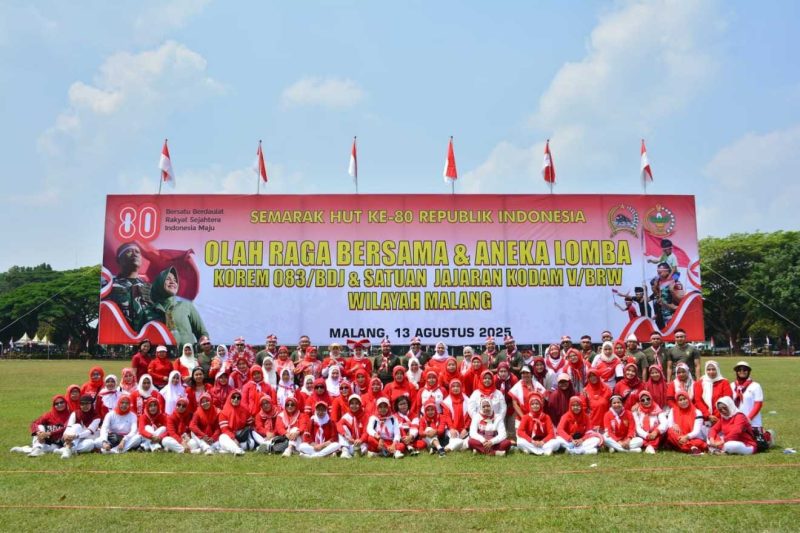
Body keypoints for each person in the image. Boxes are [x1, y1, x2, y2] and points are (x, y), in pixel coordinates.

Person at [147, 266, 209, 348]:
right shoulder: (149, 312)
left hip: (186, 358)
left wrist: (203, 343)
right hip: (161, 358)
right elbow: (142, 338)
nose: (173, 282)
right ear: (159, 283)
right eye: (168, 279)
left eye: (175, 280)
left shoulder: (186, 306)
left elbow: (202, 333)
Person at [104, 242, 152, 331]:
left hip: (144, 339)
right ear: (119, 260)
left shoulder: (151, 289)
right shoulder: (107, 286)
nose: (135, 254)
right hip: (117, 337)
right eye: (129, 251)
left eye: (137, 252)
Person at [694, 360, 733, 427]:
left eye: (713, 369)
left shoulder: (724, 382)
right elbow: (698, 401)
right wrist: (708, 415)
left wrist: (717, 416)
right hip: (704, 417)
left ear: (717, 370)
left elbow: (727, 400)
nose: (711, 372)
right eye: (708, 369)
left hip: (721, 416)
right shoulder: (699, 383)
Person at [730, 361, 764, 430]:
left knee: (755, 441)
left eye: (745, 369)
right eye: (739, 369)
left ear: (749, 371)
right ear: (736, 372)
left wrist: (748, 419)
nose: (742, 371)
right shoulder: (731, 385)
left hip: (753, 423)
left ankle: (768, 436)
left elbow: (758, 404)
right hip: (735, 422)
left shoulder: (755, 386)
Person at [631, 389, 666, 453]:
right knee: (639, 439)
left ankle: (649, 446)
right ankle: (650, 446)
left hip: (655, 434)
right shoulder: (636, 411)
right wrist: (646, 435)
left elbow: (664, 423)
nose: (646, 401)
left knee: (660, 431)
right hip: (643, 435)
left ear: (651, 398)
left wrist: (656, 432)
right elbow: (637, 427)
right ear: (640, 401)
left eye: (648, 399)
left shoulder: (657, 408)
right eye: (643, 400)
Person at [217, 390, 252, 455]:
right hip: (229, 435)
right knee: (222, 437)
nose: (236, 399)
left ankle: (267, 444)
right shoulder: (223, 412)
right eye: (233, 397)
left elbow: (250, 424)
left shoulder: (244, 410)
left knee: (252, 441)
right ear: (230, 398)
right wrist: (233, 438)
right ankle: (237, 450)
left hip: (241, 435)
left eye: (238, 398)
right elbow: (224, 430)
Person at [442, 379, 471, 452]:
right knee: (459, 440)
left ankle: (448, 448)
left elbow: (470, 417)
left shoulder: (468, 401)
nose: (455, 388)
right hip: (452, 429)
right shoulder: (446, 402)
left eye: (458, 386)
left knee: (470, 439)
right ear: (450, 388)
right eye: (453, 386)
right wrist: (451, 429)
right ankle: (461, 445)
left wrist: (466, 428)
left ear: (461, 388)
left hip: (464, 429)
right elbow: (447, 417)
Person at [338, 394, 369, 459]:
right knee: (342, 430)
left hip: (361, 443)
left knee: (364, 447)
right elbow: (338, 425)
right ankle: (345, 451)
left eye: (356, 403)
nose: (354, 406)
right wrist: (347, 437)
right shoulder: (347, 416)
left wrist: (361, 440)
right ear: (349, 405)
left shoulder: (365, 415)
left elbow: (366, 431)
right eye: (352, 403)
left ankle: (348, 451)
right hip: (350, 441)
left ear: (360, 404)